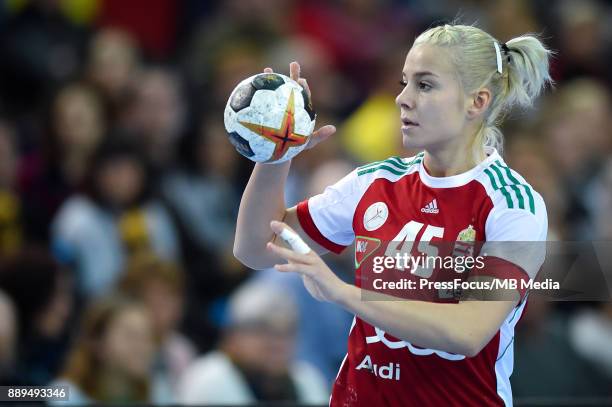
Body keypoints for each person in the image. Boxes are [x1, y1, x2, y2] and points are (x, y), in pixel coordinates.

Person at [234, 23, 552, 406]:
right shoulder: (374, 183)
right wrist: (277, 153)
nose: (402, 98)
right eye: (404, 82)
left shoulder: (513, 205)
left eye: (425, 84)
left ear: (477, 101)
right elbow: (254, 249)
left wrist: (346, 294)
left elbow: (468, 332)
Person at [177, 281, 328, 405]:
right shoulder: (209, 379)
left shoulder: (308, 380)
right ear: (233, 337)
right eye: (261, 331)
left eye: (286, 332)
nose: (276, 343)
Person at [52, 295, 155, 405]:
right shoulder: (62, 395)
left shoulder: (151, 397)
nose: (142, 347)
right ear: (97, 342)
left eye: (147, 337)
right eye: (130, 336)